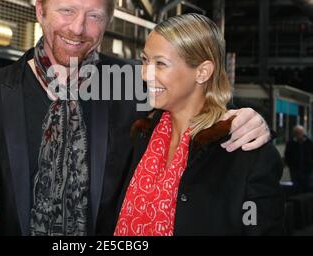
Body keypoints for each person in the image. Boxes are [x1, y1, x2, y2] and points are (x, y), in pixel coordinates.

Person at [0, 0, 271, 236]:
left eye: (94, 16)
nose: (77, 28)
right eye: (66, 10)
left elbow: (193, 99)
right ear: (40, 10)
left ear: (107, 22)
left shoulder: (133, 86)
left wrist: (246, 117)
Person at [114, 14, 284, 236]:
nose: (145, 74)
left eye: (160, 64)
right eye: (145, 61)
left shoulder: (245, 151)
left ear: (202, 72)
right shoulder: (142, 135)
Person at [284, 125, 313, 193]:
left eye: (300, 132)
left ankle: (307, 201)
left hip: (307, 168)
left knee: (308, 185)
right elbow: (287, 155)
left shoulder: (309, 142)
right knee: (296, 186)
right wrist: (290, 164)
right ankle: (298, 201)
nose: (299, 134)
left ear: (303, 133)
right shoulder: (291, 143)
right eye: (297, 133)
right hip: (295, 169)